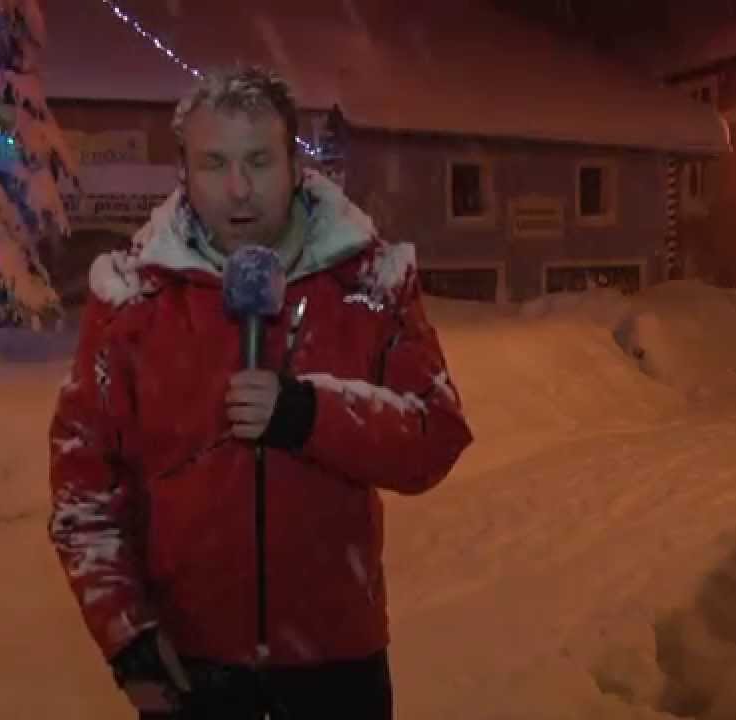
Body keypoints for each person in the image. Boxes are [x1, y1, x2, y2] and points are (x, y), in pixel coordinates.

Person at [47, 65, 473, 719]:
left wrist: (308, 414)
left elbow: (435, 434)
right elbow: (84, 496)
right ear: (183, 172)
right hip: (193, 668)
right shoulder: (132, 299)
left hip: (338, 665)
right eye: (214, 163)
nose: (239, 188)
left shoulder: (370, 280)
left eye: (259, 161)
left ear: (295, 165)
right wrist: (127, 638)